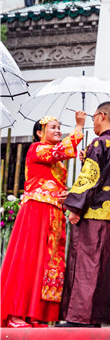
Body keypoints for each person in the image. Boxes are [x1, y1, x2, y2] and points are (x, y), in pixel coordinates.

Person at [1, 113, 85, 328]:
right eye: (53, 127)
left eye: (59, 127)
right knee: (28, 261)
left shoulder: (57, 164)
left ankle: (35, 314)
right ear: (39, 133)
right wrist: (78, 127)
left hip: (53, 215)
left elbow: (58, 184)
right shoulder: (37, 149)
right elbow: (61, 151)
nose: (58, 130)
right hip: (36, 213)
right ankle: (15, 314)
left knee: (47, 264)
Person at [59, 101, 110, 327]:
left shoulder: (99, 142)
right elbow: (105, 174)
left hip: (92, 212)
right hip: (109, 214)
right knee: (101, 267)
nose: (93, 124)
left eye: (93, 119)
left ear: (101, 116)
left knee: (85, 264)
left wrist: (74, 208)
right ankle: (95, 318)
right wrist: (87, 158)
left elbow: (90, 180)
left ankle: (79, 318)